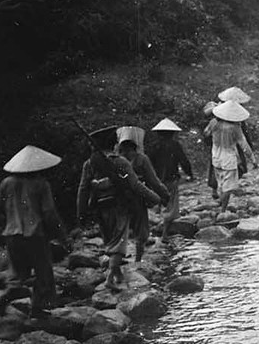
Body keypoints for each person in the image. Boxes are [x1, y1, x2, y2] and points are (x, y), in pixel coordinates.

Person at [0, 145, 69, 316]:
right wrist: (62, 236)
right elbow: (49, 213)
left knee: (17, 273)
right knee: (43, 272)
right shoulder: (41, 184)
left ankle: (8, 293)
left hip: (12, 235)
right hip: (35, 235)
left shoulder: (7, 183)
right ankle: (37, 308)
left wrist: (4, 224)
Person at [78, 127, 160, 290]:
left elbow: (83, 189)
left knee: (110, 241)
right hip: (120, 206)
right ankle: (110, 278)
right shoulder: (120, 162)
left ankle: (118, 274)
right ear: (113, 144)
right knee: (119, 244)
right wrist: (154, 197)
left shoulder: (89, 164)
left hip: (100, 208)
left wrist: (81, 213)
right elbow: (135, 185)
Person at [117, 127, 170, 261]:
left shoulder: (116, 160)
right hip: (137, 198)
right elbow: (154, 181)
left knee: (120, 230)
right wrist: (164, 195)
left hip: (118, 199)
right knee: (141, 231)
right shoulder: (142, 159)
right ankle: (138, 259)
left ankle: (117, 261)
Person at [204, 100, 257, 212]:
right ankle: (222, 210)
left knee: (221, 184)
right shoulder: (235, 127)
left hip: (216, 158)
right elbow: (243, 144)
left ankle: (220, 205)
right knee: (228, 188)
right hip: (229, 159)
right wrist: (252, 159)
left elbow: (206, 133)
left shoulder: (213, 122)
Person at [147, 118, 192, 240]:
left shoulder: (153, 146)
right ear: (172, 133)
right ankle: (164, 234)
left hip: (156, 180)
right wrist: (190, 174)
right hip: (171, 179)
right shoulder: (175, 145)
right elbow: (184, 161)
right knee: (170, 207)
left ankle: (153, 230)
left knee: (158, 203)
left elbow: (148, 163)